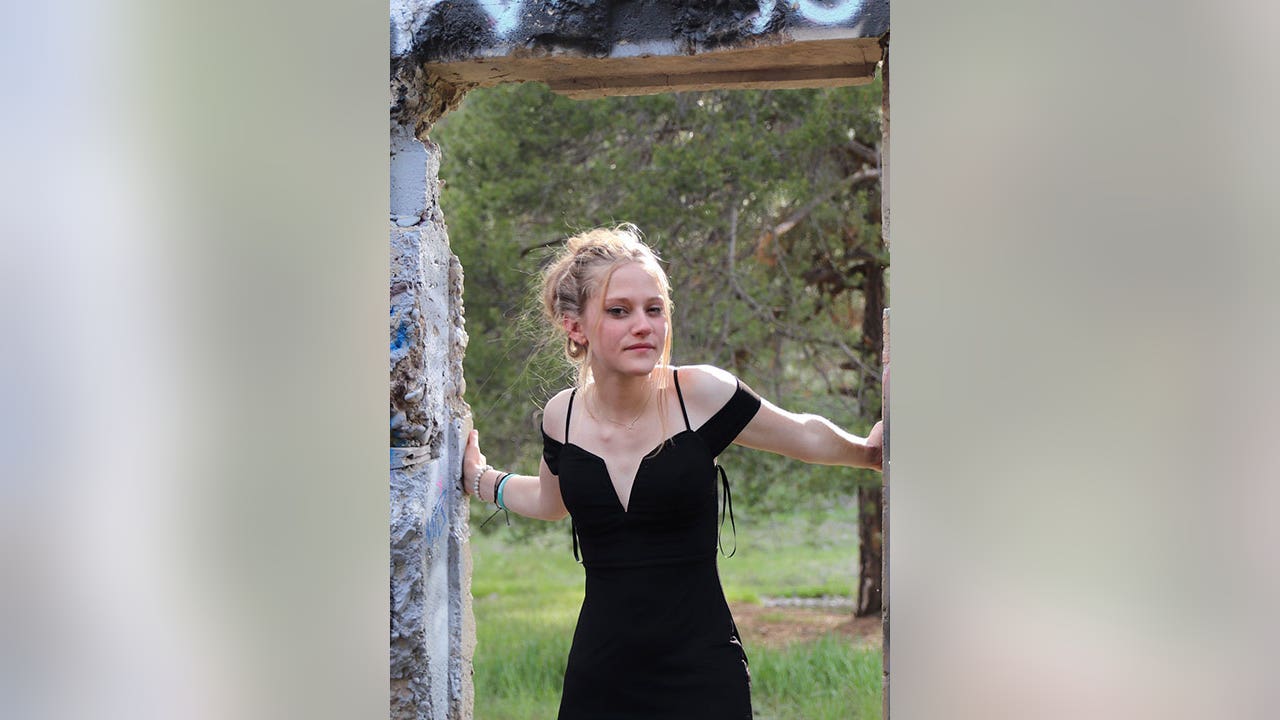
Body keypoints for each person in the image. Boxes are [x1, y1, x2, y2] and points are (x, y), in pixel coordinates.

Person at [462, 224, 883, 720]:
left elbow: (805, 434)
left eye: (654, 309)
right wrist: (482, 480)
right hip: (600, 676)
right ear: (576, 327)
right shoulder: (563, 416)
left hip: (701, 675)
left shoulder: (700, 395)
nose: (644, 325)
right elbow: (550, 503)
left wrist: (869, 452)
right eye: (619, 311)